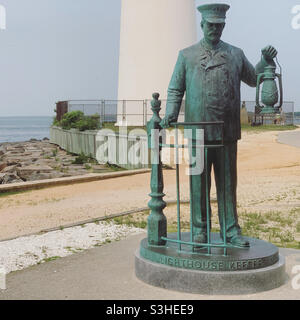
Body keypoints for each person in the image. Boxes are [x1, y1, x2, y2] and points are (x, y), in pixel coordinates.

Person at [160, 3, 278, 247]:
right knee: (198, 185)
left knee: (226, 185)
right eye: (210, 25)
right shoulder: (186, 55)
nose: (215, 29)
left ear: (224, 26)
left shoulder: (235, 54)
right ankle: (199, 230)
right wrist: (171, 112)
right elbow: (175, 88)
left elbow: (252, 78)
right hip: (197, 132)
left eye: (219, 25)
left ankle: (230, 229)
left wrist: (264, 61)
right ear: (202, 25)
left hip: (226, 133)